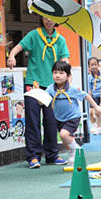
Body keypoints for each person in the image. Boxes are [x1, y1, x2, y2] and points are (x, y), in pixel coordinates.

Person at [7, 16, 69, 168]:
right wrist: (12, 55)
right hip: (33, 84)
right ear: (41, 18)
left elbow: (65, 60)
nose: (48, 20)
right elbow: (18, 47)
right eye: (45, 17)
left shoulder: (60, 39)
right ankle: (33, 157)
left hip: (52, 86)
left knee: (51, 121)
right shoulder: (34, 35)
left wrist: (67, 78)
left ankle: (51, 155)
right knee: (33, 121)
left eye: (51, 18)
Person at [46, 61, 101, 165]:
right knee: (64, 140)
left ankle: (76, 150)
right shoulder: (51, 88)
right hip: (59, 118)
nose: (57, 75)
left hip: (73, 117)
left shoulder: (72, 89)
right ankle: (73, 155)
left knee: (64, 135)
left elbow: (86, 96)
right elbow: (43, 98)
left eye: (61, 73)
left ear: (68, 76)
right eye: (55, 72)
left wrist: (96, 107)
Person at [88, 57, 101, 135]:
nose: (94, 66)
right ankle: (97, 126)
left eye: (95, 64)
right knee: (92, 112)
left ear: (98, 65)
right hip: (95, 96)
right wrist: (90, 99)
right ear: (89, 66)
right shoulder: (89, 77)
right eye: (92, 65)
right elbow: (90, 89)